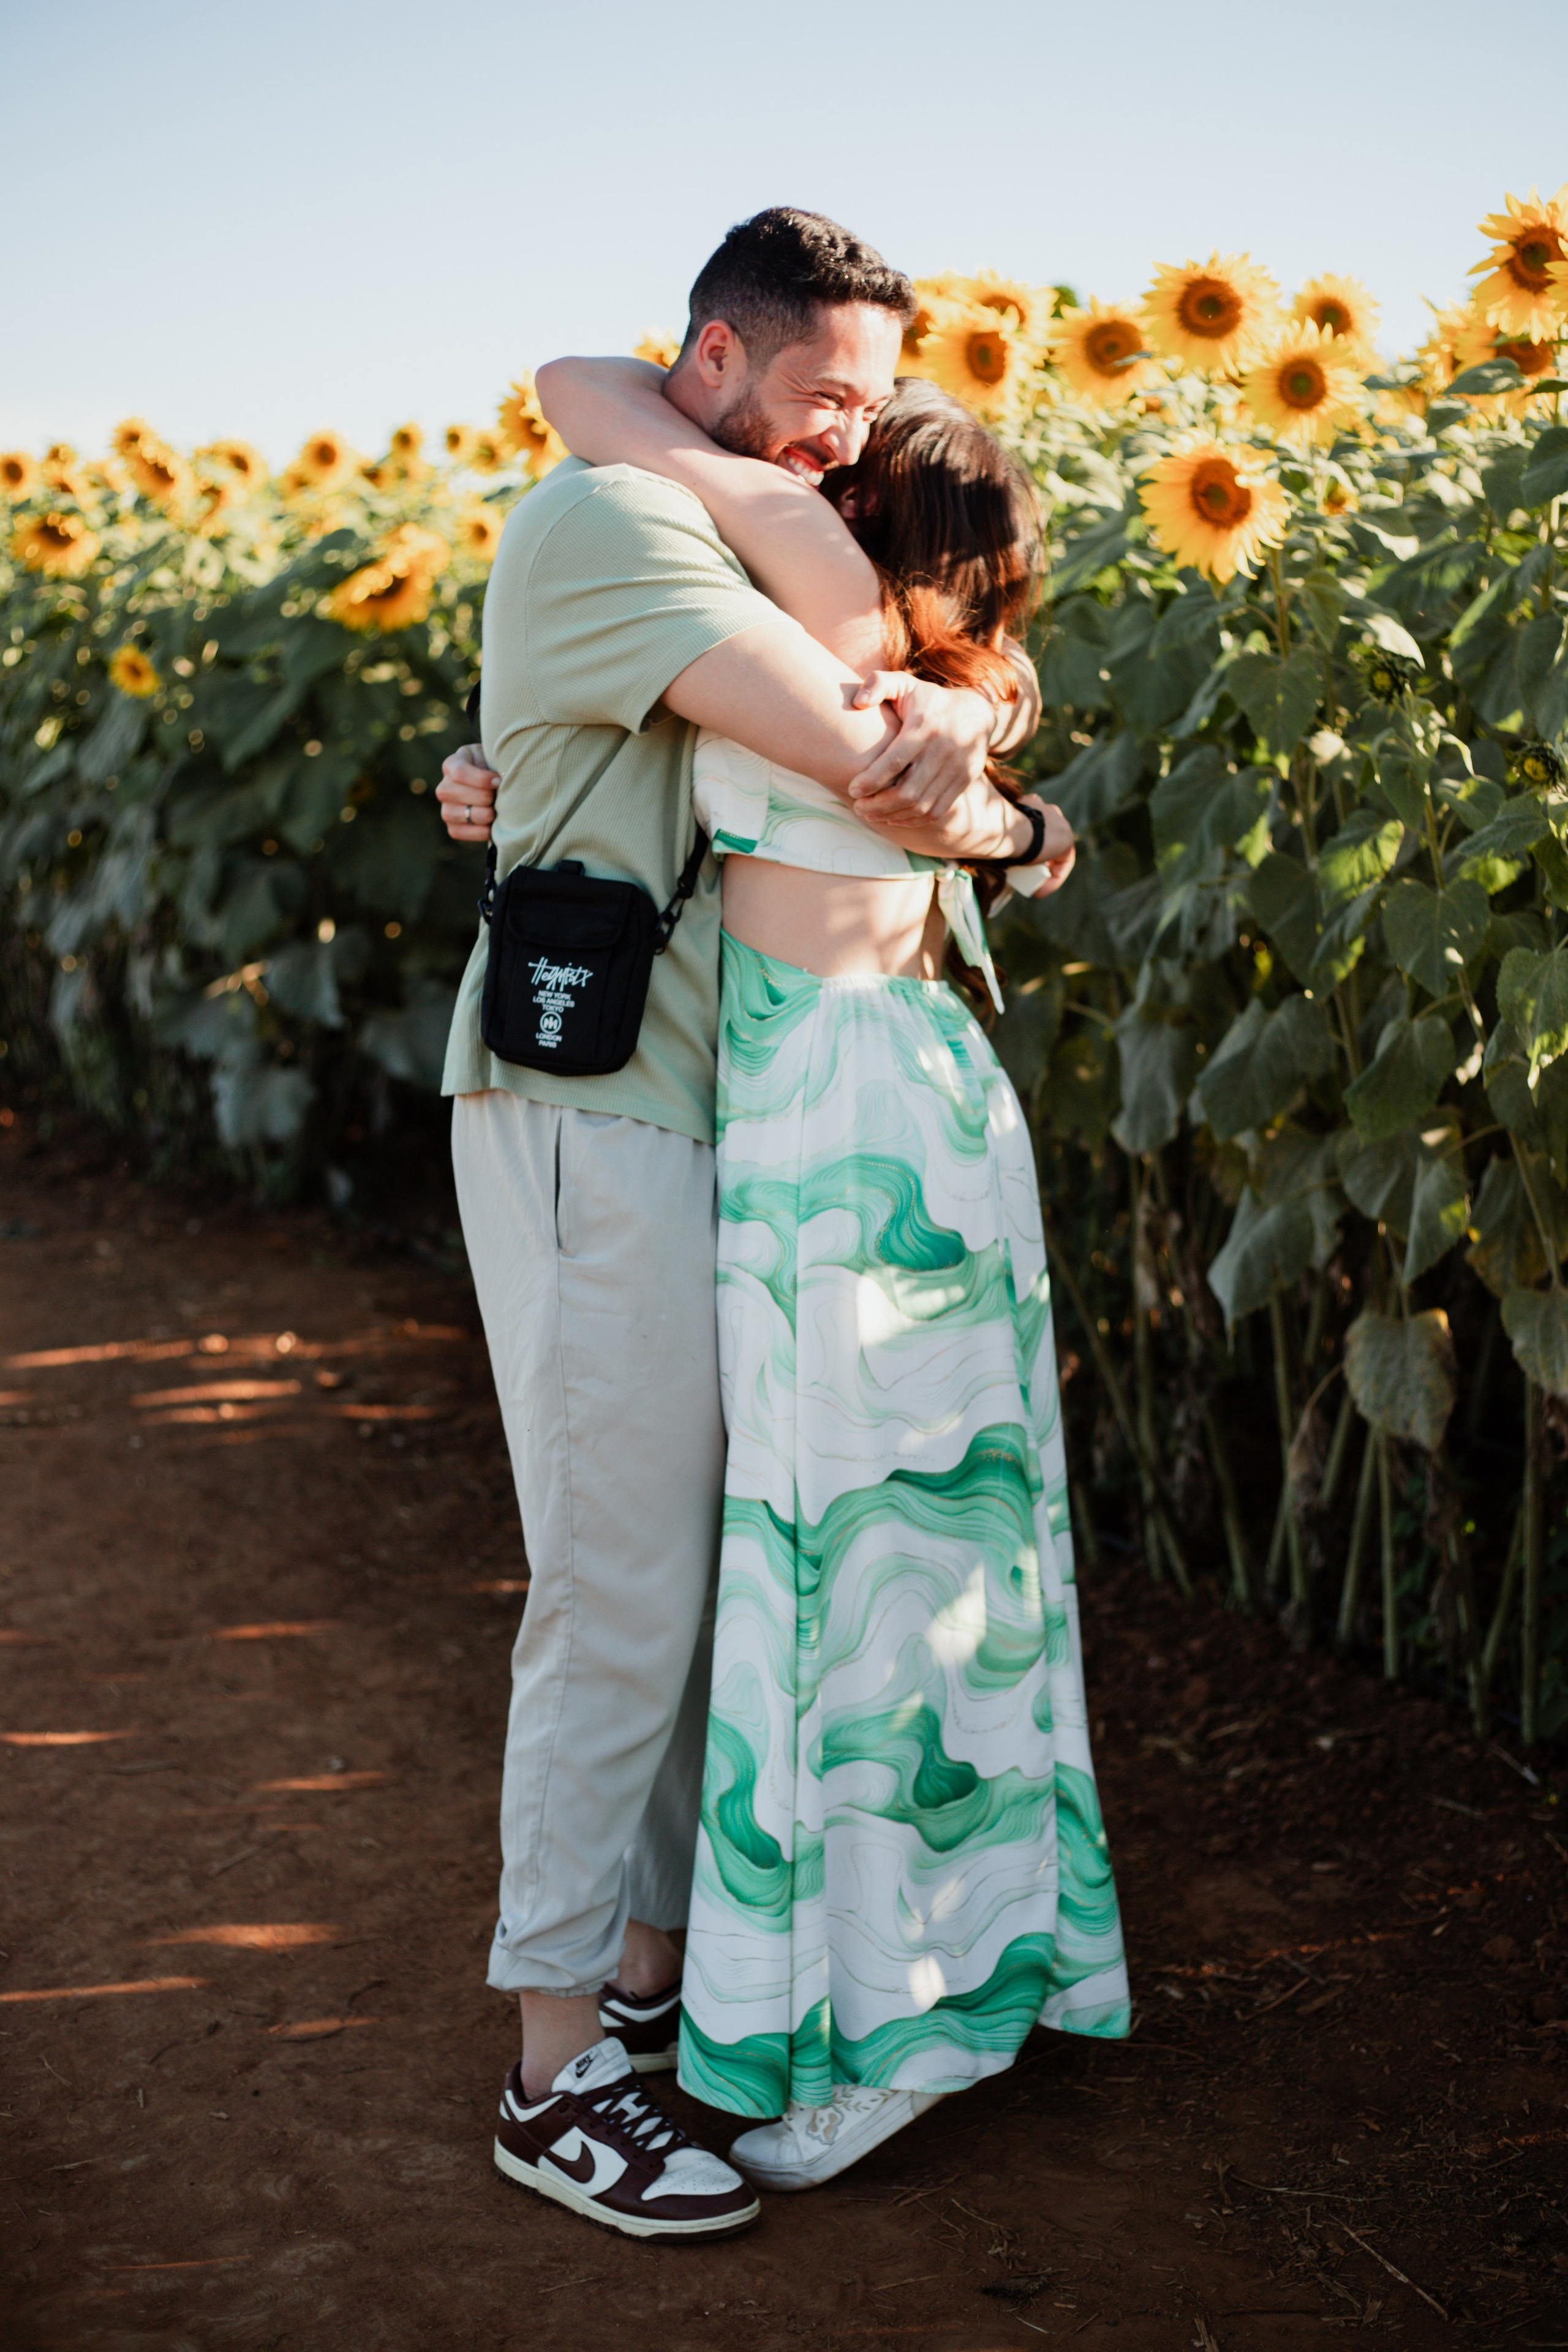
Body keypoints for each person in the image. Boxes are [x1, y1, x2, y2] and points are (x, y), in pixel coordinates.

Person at [447, 331, 1130, 2203]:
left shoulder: (833, 638)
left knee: (870, 1570)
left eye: (847, 465)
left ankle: (881, 2018)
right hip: (849, 1111)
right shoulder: (847, 662)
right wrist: (499, 765)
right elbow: (591, 395)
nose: (808, 475)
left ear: (868, 532)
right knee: (870, 1560)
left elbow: (608, 403)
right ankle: (812, 1981)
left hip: (847, 1132)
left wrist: (995, 791)